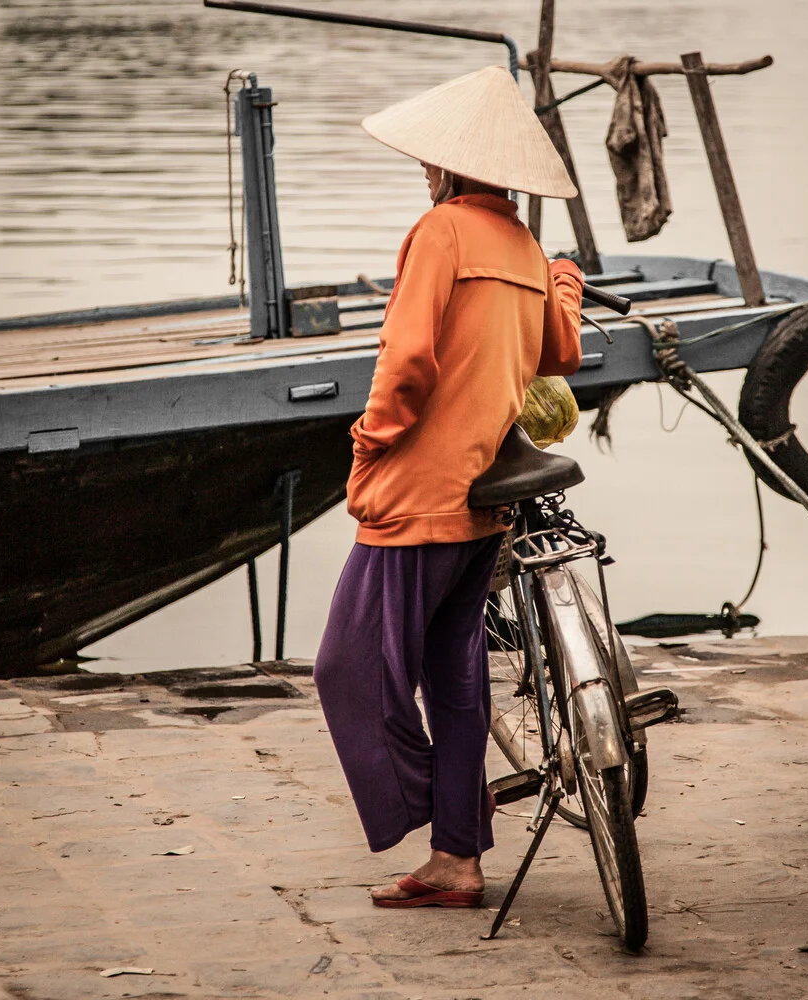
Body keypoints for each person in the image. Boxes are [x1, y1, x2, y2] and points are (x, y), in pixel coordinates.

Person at [313, 65, 585, 909]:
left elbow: (405, 362)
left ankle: (442, 815)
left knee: (347, 668)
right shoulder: (523, 246)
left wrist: (369, 443)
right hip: (484, 498)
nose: (425, 171)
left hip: (420, 495)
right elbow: (558, 353)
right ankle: (458, 861)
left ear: (455, 169)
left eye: (434, 161)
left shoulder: (441, 233)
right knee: (454, 681)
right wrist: (565, 278)